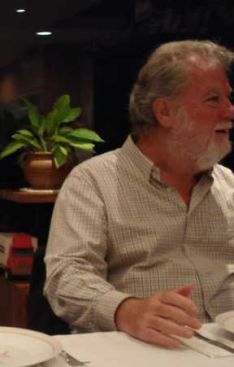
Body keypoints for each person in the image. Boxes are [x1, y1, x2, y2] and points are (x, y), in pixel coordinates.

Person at [44, 40, 234, 348]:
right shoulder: (93, 181)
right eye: (214, 99)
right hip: (143, 351)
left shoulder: (228, 184)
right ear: (165, 112)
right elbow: (65, 278)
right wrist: (126, 310)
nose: (230, 110)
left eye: (228, 97)